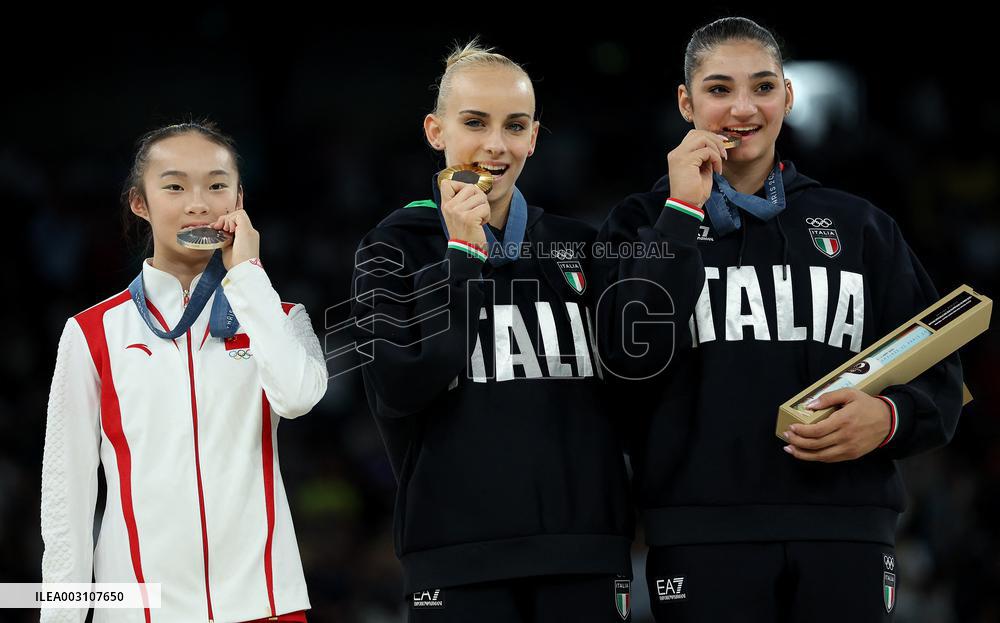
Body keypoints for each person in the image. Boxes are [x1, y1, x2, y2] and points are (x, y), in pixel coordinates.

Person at [601, 16, 964, 622]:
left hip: (847, 525)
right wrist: (681, 213)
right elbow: (624, 360)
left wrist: (891, 417)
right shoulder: (636, 224)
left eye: (763, 87)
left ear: (788, 97)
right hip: (700, 529)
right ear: (686, 102)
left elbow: (940, 368)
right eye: (719, 90)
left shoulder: (862, 226)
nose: (743, 108)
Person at [349, 39, 705, 623]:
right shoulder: (393, 247)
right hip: (456, 555)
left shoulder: (581, 246)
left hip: (585, 551)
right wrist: (463, 258)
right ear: (435, 131)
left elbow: (639, 371)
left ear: (534, 137)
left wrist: (683, 218)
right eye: (474, 123)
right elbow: (400, 388)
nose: (495, 144)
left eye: (514, 126)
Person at [40, 121, 328, 623]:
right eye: (174, 186)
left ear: (240, 199)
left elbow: (299, 396)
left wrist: (247, 277)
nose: (198, 203)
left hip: (265, 603)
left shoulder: (280, 318)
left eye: (217, 185)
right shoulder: (91, 334)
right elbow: (66, 497)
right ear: (140, 203)